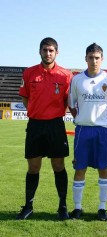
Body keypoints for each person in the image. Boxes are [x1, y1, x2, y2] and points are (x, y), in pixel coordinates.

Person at [17, 37, 73, 220]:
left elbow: (67, 100)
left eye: (51, 50)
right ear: (39, 51)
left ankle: (62, 206)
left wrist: (54, 113)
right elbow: (25, 97)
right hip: (35, 125)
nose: (48, 53)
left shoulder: (66, 75)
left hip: (56, 125)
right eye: (45, 50)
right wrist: (35, 111)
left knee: (58, 166)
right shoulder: (29, 73)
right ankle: (28, 205)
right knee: (33, 167)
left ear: (57, 52)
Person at [68, 43, 107, 221]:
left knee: (103, 168)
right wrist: (79, 117)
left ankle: (102, 208)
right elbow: (71, 103)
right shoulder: (76, 80)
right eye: (91, 57)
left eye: (97, 58)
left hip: (103, 131)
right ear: (85, 59)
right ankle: (77, 208)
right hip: (83, 130)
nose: (94, 61)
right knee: (79, 169)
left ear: (102, 59)